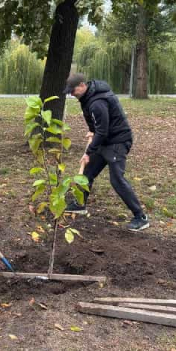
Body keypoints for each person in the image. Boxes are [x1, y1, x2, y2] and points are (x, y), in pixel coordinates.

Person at [63, 73, 149, 232]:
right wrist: (92, 131)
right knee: (88, 172)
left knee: (116, 179)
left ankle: (140, 217)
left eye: (73, 91)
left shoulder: (97, 102)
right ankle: (80, 204)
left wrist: (88, 152)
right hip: (105, 140)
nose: (71, 94)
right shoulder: (87, 97)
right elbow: (97, 123)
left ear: (82, 85)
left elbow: (102, 130)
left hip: (117, 141)